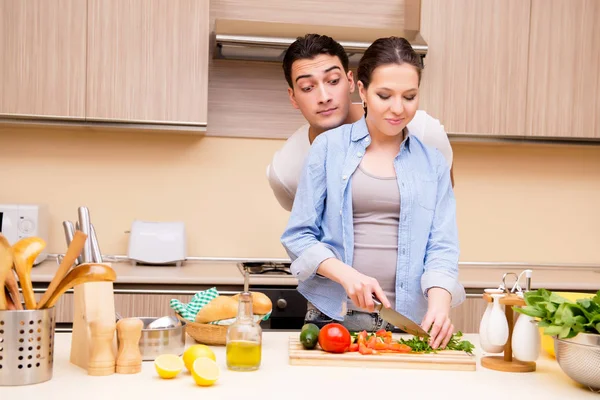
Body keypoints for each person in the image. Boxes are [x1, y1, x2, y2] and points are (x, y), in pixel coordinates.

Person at [280, 36, 465, 349]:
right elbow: (299, 237)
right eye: (384, 95)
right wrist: (346, 275)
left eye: (410, 96)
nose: (397, 108)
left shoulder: (432, 162)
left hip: (411, 320)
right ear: (362, 90)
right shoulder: (327, 149)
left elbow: (442, 247)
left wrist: (439, 303)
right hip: (333, 316)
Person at [266, 34, 454, 213]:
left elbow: (442, 211)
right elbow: (306, 235)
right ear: (293, 97)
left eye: (333, 81)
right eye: (308, 88)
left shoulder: (422, 132)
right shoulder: (287, 171)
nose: (324, 97)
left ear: (350, 82)